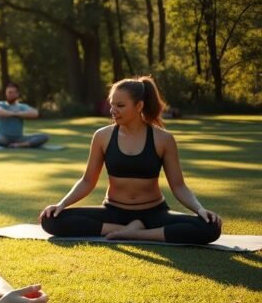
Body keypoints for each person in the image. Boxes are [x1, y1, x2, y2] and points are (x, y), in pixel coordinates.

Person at [39, 76, 222, 244]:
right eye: (111, 105)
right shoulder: (102, 136)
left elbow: (179, 186)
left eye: (120, 105)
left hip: (153, 213)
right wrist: (61, 204)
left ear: (139, 106)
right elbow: (87, 181)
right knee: (50, 220)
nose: (113, 111)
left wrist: (199, 210)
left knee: (210, 227)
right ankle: (121, 229)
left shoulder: (163, 139)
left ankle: (138, 233)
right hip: (113, 212)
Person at [0, 82, 49, 149]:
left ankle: (20, 145)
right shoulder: (1, 104)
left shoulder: (22, 106)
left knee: (44, 137)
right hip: (2, 136)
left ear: (17, 94)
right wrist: (13, 113)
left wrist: (18, 113)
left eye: (12, 93)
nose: (10, 95)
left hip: (18, 138)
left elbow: (35, 113)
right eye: (8, 92)